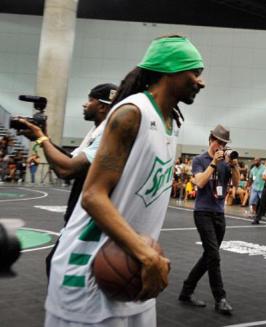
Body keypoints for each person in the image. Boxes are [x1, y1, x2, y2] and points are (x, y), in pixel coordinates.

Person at [45, 35, 205, 326]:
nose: (200, 81)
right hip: (87, 269)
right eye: (195, 72)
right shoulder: (132, 113)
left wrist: (144, 256)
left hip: (135, 270)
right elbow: (92, 196)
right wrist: (146, 253)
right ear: (170, 70)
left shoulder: (171, 124)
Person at [18, 83, 118, 278]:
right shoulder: (97, 131)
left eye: (90, 100)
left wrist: (41, 139)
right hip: (82, 213)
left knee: (61, 266)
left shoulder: (107, 133)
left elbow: (66, 169)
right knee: (63, 266)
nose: (84, 104)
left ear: (103, 107)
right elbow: (69, 161)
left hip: (88, 215)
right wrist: (44, 137)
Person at [179, 124, 239, 315]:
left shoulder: (226, 162)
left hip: (219, 213)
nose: (221, 147)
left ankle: (186, 290)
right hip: (203, 212)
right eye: (218, 142)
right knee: (213, 256)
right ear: (211, 140)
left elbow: (236, 184)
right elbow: (200, 182)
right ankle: (220, 298)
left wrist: (235, 165)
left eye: (224, 144)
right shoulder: (199, 160)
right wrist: (213, 162)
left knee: (208, 256)